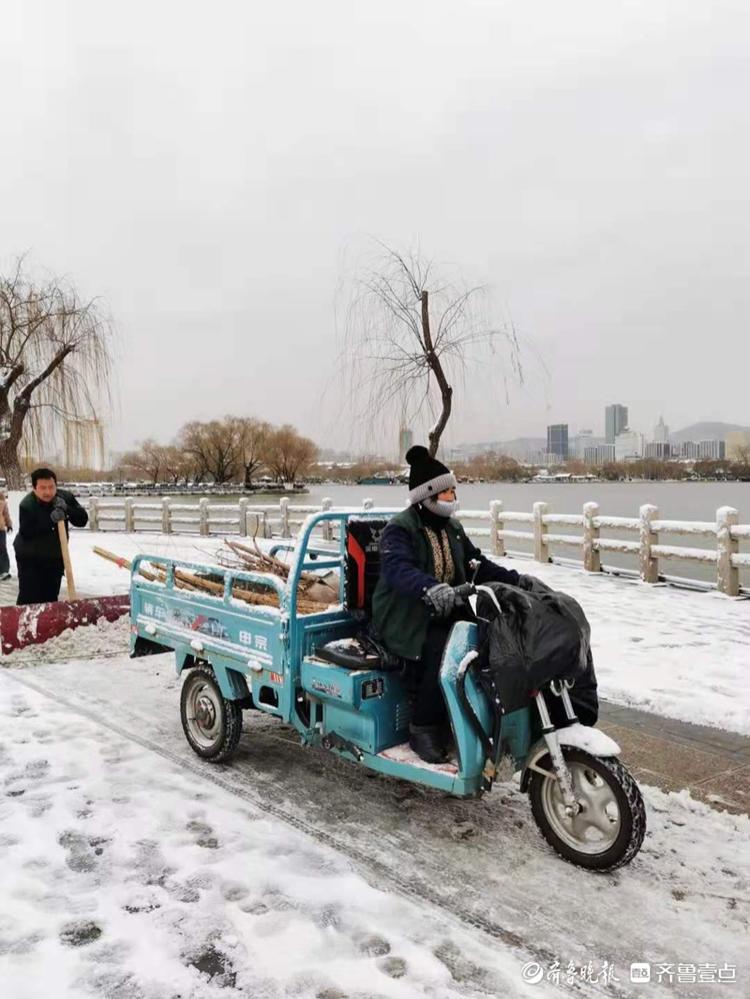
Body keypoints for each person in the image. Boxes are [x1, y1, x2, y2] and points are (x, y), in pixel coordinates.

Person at [372, 445, 522, 764]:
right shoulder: (401, 528)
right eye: (448, 491)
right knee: (443, 651)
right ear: (428, 496)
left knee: (485, 639)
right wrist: (431, 588)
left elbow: (474, 563)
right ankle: (423, 728)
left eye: (453, 490)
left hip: (446, 609)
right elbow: (397, 568)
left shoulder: (452, 528)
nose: (453, 496)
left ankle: (473, 715)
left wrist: (515, 580)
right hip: (405, 614)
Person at [14, 467, 88, 606]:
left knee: (50, 597)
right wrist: (50, 520)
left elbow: (82, 520)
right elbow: (27, 532)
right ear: (35, 488)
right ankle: (24, 624)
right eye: (43, 488)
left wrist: (67, 509)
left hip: (55, 557)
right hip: (29, 558)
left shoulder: (65, 497)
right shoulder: (27, 505)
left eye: (51, 487)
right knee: (29, 597)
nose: (48, 492)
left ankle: (48, 625)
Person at [0, 489, 13, 581]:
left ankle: (4, 571)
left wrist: (9, 525)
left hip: (1, 529)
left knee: (2, 548)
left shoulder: (1, 500)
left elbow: (6, 514)